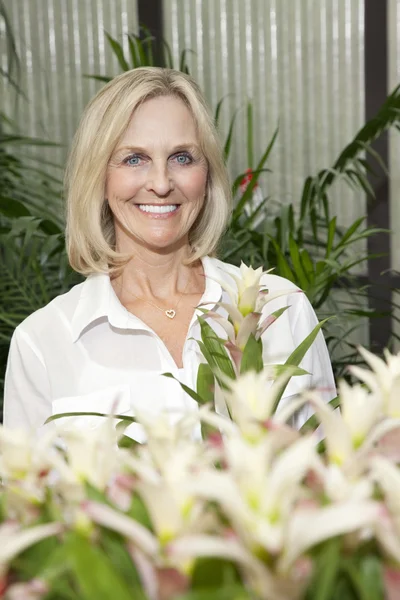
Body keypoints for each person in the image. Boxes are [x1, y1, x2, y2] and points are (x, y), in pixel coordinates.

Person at [3, 67, 336, 438]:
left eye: (181, 158)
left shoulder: (281, 308)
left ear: (207, 175)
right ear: (98, 177)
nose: (161, 184)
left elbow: (330, 480)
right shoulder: (44, 342)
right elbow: (28, 493)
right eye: (134, 159)